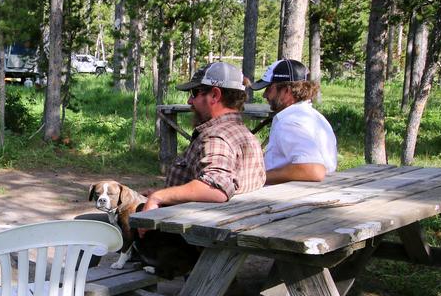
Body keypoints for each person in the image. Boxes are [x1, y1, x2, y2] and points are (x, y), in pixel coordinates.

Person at [143, 61, 266, 213]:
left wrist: (158, 197)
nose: (189, 101)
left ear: (214, 95)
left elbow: (216, 188)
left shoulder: (216, 137)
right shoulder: (244, 133)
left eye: (194, 93)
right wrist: (167, 196)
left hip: (190, 231)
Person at [251, 58, 338, 185]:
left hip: (290, 198)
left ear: (287, 90)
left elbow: (313, 170)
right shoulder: (315, 116)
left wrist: (259, 177)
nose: (265, 95)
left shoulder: (289, 123)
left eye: (269, 88)